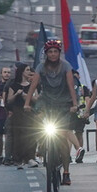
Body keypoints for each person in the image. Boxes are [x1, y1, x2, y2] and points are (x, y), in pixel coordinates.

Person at [28, 40, 81, 184]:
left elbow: (71, 85)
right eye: (50, 52)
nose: (52, 54)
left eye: (55, 52)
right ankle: (41, 145)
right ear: (46, 54)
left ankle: (66, 172)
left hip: (64, 103)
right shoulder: (41, 67)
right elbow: (33, 85)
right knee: (37, 118)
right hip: (47, 101)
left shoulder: (66, 66)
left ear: (59, 53)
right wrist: (27, 103)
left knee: (63, 136)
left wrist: (75, 104)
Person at [6, 63, 36, 168]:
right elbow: (9, 100)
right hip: (18, 111)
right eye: (27, 70)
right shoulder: (13, 85)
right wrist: (16, 94)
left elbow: (36, 98)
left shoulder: (32, 85)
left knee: (30, 134)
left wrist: (26, 96)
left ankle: (30, 157)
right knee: (18, 135)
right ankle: (18, 159)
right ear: (22, 72)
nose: (29, 72)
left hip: (29, 112)